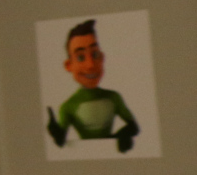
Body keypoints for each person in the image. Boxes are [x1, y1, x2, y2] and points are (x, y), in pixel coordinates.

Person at [46, 19, 138, 152]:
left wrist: (122, 136)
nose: (90, 65)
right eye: (80, 57)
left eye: (95, 54)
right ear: (69, 65)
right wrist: (55, 131)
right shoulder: (68, 107)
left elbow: (134, 127)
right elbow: (61, 142)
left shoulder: (114, 97)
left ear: (102, 57)